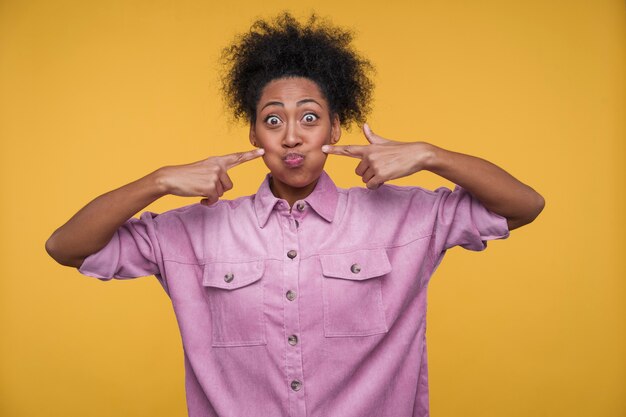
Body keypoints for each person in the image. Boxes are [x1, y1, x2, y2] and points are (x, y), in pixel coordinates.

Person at [45, 12, 544, 417]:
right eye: (273, 120)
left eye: (309, 117)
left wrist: (432, 155)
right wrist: (156, 182)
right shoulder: (193, 233)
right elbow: (65, 247)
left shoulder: (404, 219)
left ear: (335, 126)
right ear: (253, 134)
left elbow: (525, 205)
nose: (291, 136)